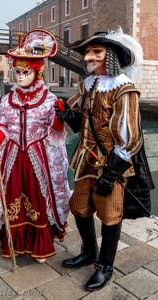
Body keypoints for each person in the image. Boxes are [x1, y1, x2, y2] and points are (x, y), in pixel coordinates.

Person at [55, 28, 154, 291]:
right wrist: (70, 117)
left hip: (110, 164)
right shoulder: (87, 85)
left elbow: (131, 136)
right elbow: (83, 123)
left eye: (96, 52)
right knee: (79, 207)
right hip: (84, 159)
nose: (88, 56)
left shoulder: (124, 89)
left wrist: (111, 174)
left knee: (110, 215)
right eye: (87, 52)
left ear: (109, 56)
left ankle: (105, 265)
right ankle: (89, 252)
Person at [0, 29, 70, 263]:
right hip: (12, 157)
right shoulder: (7, 99)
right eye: (18, 72)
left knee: (38, 199)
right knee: (11, 197)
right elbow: (3, 124)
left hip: (37, 159)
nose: (20, 77)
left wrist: (57, 120)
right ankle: (14, 241)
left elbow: (55, 133)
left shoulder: (49, 99)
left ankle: (39, 244)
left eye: (26, 72)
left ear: (37, 72)